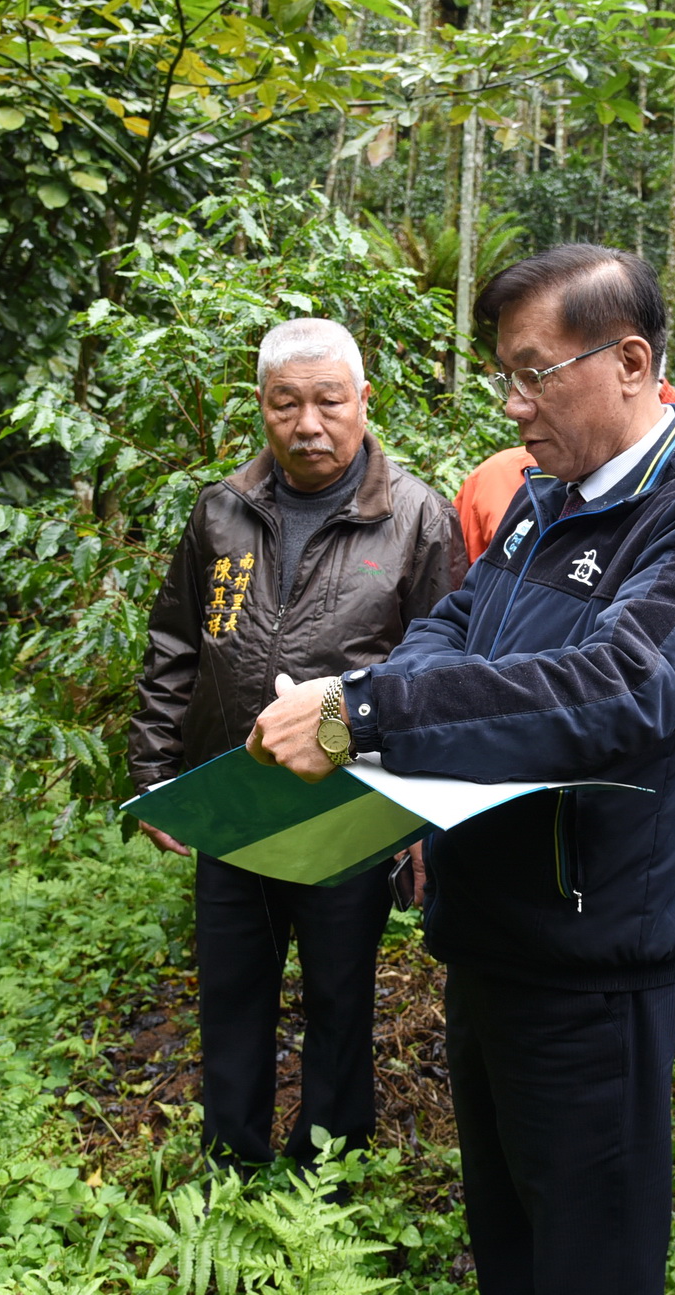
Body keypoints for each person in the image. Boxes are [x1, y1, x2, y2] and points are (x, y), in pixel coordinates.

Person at [248, 245, 675, 1294]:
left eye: (533, 373)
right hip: (487, 937)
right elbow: (453, 624)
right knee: (508, 1245)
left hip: (591, 970)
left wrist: (364, 713)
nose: (512, 405)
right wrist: (393, 694)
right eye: (505, 375)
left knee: (585, 1257)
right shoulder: (543, 500)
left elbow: (618, 687)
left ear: (630, 362)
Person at [126, 318, 463, 1170]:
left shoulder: (416, 515)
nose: (308, 424)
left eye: (328, 401)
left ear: (363, 402)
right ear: (262, 408)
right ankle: (229, 1160)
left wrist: (424, 816)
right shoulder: (222, 510)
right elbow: (175, 645)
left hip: (349, 807)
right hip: (234, 794)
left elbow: (445, 669)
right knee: (231, 989)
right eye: (287, 404)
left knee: (338, 994)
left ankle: (331, 1169)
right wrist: (155, 774)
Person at [453, 377, 675, 561]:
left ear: (633, 369)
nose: (513, 408)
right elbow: (457, 610)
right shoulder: (517, 482)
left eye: (537, 377)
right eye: (512, 381)